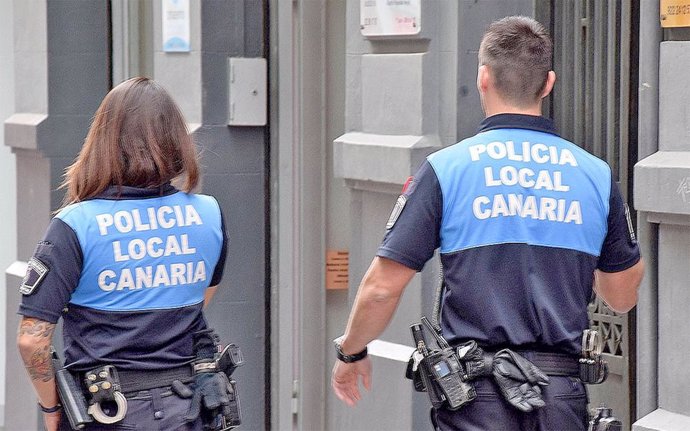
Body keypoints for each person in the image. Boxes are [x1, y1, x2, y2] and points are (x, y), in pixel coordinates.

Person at [331, 15, 644, 431]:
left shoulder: (447, 170)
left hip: (478, 398)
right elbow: (622, 296)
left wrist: (351, 351)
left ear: (483, 78)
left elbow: (382, 288)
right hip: (561, 396)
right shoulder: (595, 175)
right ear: (548, 83)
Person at [16, 77, 230, 430]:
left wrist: (53, 409)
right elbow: (197, 299)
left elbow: (32, 339)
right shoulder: (208, 214)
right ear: (177, 140)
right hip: (191, 409)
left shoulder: (76, 225)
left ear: (103, 141)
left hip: (108, 413)